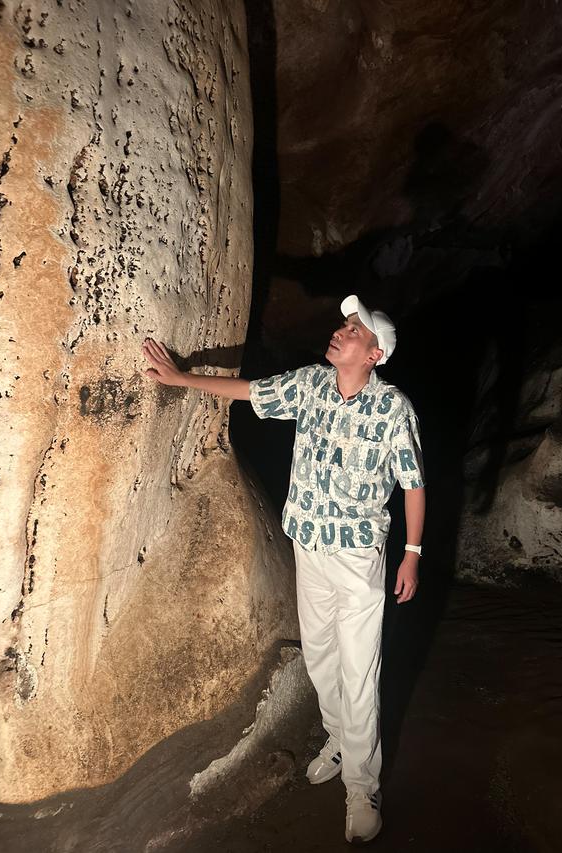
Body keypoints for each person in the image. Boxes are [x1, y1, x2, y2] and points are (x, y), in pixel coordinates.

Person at [142, 294, 426, 844]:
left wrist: (412, 554)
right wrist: (181, 379)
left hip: (359, 556)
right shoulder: (311, 385)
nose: (340, 332)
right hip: (310, 547)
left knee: (358, 669)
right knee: (320, 658)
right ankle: (340, 739)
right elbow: (249, 392)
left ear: (373, 354)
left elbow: (413, 484)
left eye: (352, 330)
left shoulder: (394, 409)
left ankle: (362, 788)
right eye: (343, 325)